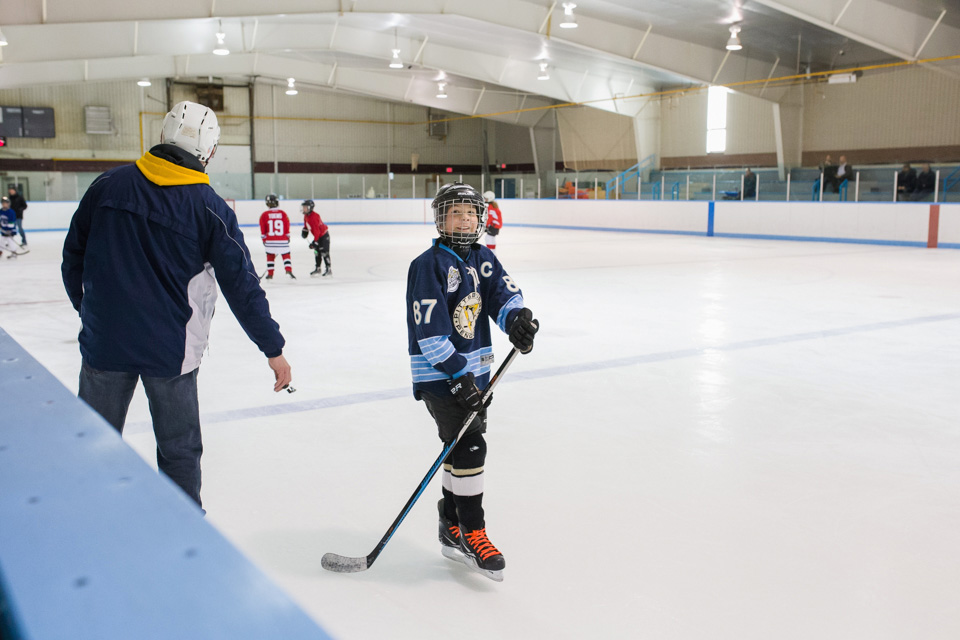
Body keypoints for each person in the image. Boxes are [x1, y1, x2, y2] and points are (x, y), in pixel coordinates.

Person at [61, 100, 292, 510]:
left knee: (93, 441)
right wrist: (273, 349)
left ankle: (84, 518)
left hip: (105, 344)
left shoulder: (107, 186)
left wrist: (91, 312)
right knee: (179, 450)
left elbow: (73, 258)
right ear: (210, 151)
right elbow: (243, 286)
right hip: (170, 353)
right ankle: (184, 527)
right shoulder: (210, 209)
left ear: (162, 136)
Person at [406, 182, 539, 581]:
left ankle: (450, 527)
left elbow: (503, 296)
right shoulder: (427, 265)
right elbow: (429, 332)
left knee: (458, 450)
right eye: (455, 212)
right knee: (471, 448)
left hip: (475, 377)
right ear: (440, 218)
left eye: (471, 212)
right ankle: (472, 533)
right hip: (441, 377)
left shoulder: (484, 259)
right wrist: (458, 376)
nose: (464, 219)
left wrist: (517, 322)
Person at [260, 193, 295, 280]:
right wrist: (287, 237)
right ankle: (288, 270)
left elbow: (263, 229)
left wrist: (264, 239)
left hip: (270, 241)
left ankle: (270, 273)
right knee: (286, 254)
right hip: (282, 240)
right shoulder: (283, 214)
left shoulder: (264, 215)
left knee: (270, 255)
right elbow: (287, 226)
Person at [300, 199, 332, 277]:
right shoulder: (306, 216)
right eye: (303, 207)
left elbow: (317, 231)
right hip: (318, 237)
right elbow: (306, 225)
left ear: (310, 208)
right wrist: (305, 230)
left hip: (323, 236)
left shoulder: (314, 216)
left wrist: (315, 241)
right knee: (317, 253)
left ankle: (328, 269)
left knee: (324, 252)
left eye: (305, 207)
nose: (303, 209)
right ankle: (318, 268)